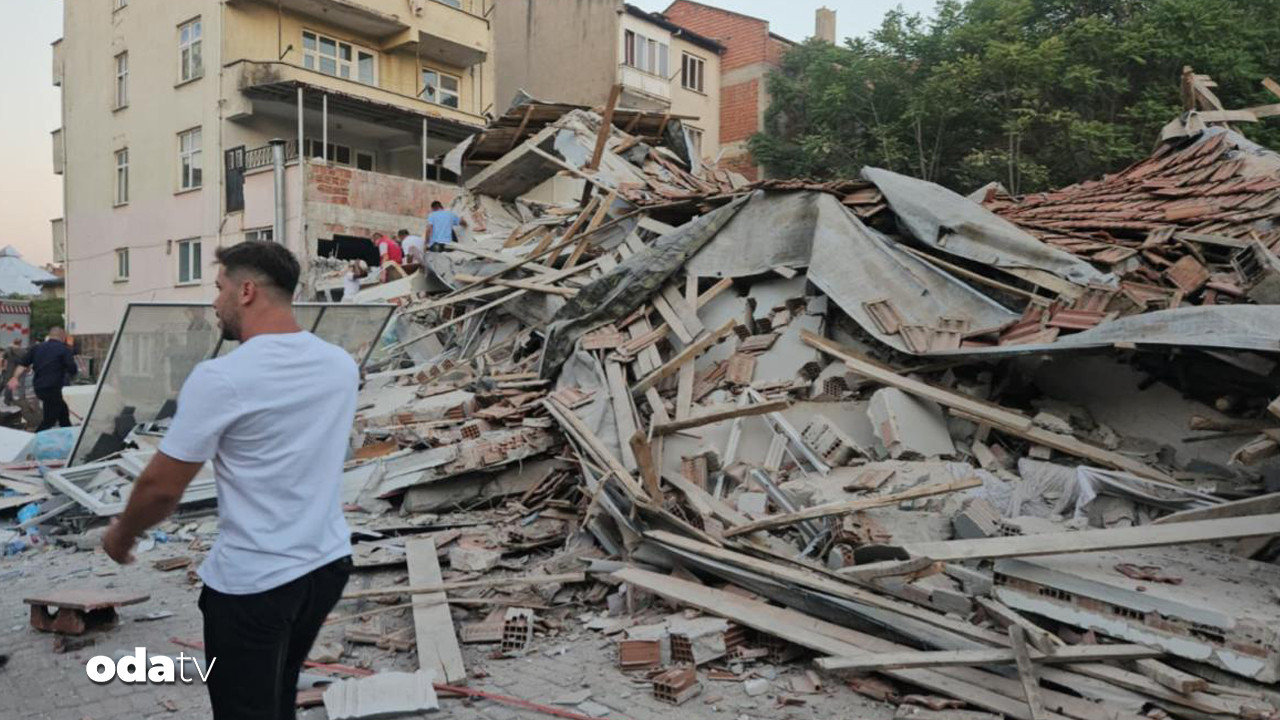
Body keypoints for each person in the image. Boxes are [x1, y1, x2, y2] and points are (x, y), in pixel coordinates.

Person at [102, 241, 358, 720]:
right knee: (278, 695)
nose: (214, 302)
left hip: (255, 583)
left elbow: (161, 488)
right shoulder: (339, 365)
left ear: (246, 291)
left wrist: (122, 534)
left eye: (219, 288)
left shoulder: (222, 377)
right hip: (325, 566)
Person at [8, 328, 76, 431]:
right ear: (63, 337)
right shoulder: (64, 349)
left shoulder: (36, 347)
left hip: (39, 387)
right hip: (52, 387)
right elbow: (72, 369)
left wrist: (15, 377)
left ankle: (69, 433)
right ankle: (36, 437)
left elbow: (22, 364)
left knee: (63, 413)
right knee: (50, 419)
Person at [1, 338, 23, 405]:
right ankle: (8, 400)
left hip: (8, 369)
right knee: (10, 384)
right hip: (17, 370)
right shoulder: (23, 351)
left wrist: (2, 367)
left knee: (6, 383)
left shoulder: (8, 349)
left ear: (13, 342)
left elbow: (2, 358)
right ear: (20, 343)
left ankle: (8, 399)